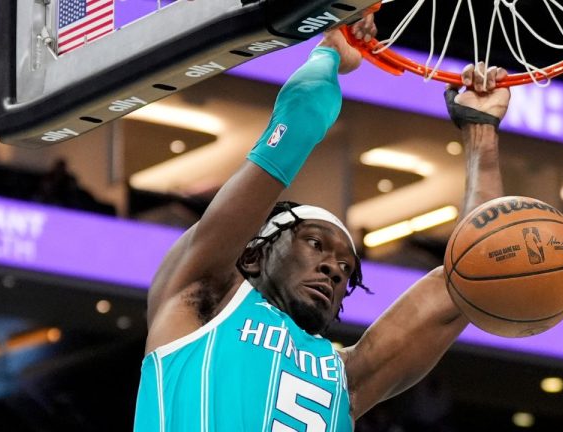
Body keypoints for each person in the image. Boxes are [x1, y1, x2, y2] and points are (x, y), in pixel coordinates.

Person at [133, 14, 511, 431]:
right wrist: (330, 52)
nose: (334, 269)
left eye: (347, 268)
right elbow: (297, 126)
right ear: (254, 255)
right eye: (314, 244)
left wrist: (482, 136)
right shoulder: (196, 298)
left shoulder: (346, 376)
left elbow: (476, 270)